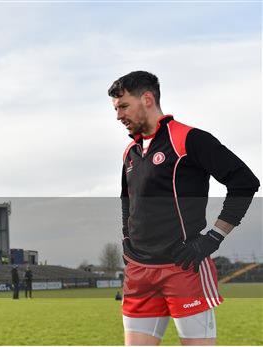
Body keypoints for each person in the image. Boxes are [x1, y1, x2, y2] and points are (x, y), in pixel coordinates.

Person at [109, 71, 259, 345]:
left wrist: (213, 237)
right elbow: (126, 201)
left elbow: (244, 182)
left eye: (123, 106)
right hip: (139, 273)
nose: (118, 115)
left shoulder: (189, 139)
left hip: (183, 268)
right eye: (116, 109)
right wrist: (126, 239)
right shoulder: (130, 152)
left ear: (147, 99)